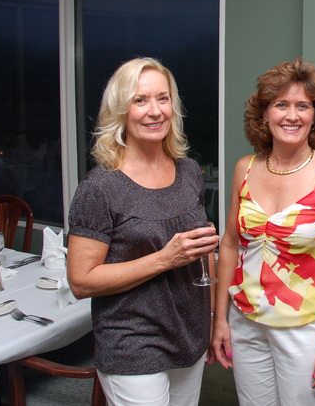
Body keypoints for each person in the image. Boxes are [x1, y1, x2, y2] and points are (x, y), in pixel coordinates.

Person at [67, 57, 219, 406]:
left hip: (189, 332)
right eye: (140, 100)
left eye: (162, 98)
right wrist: (165, 258)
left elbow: (202, 255)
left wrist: (211, 318)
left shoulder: (189, 172)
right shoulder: (100, 187)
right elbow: (81, 281)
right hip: (132, 341)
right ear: (120, 110)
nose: (155, 111)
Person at [212, 58, 315, 406]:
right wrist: (220, 319)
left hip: (305, 328)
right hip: (245, 321)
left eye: (303, 106)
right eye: (281, 105)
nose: (292, 116)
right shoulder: (245, 169)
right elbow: (229, 245)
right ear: (264, 113)